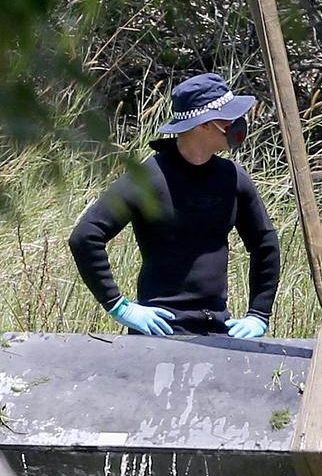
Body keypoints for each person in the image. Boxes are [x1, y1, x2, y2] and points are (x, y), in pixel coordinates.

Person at [69, 73, 281, 338]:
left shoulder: (233, 177)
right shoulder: (146, 178)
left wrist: (259, 314)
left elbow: (265, 244)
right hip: (159, 331)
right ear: (202, 124)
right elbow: (85, 237)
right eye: (228, 117)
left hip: (218, 330)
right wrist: (119, 306)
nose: (238, 124)